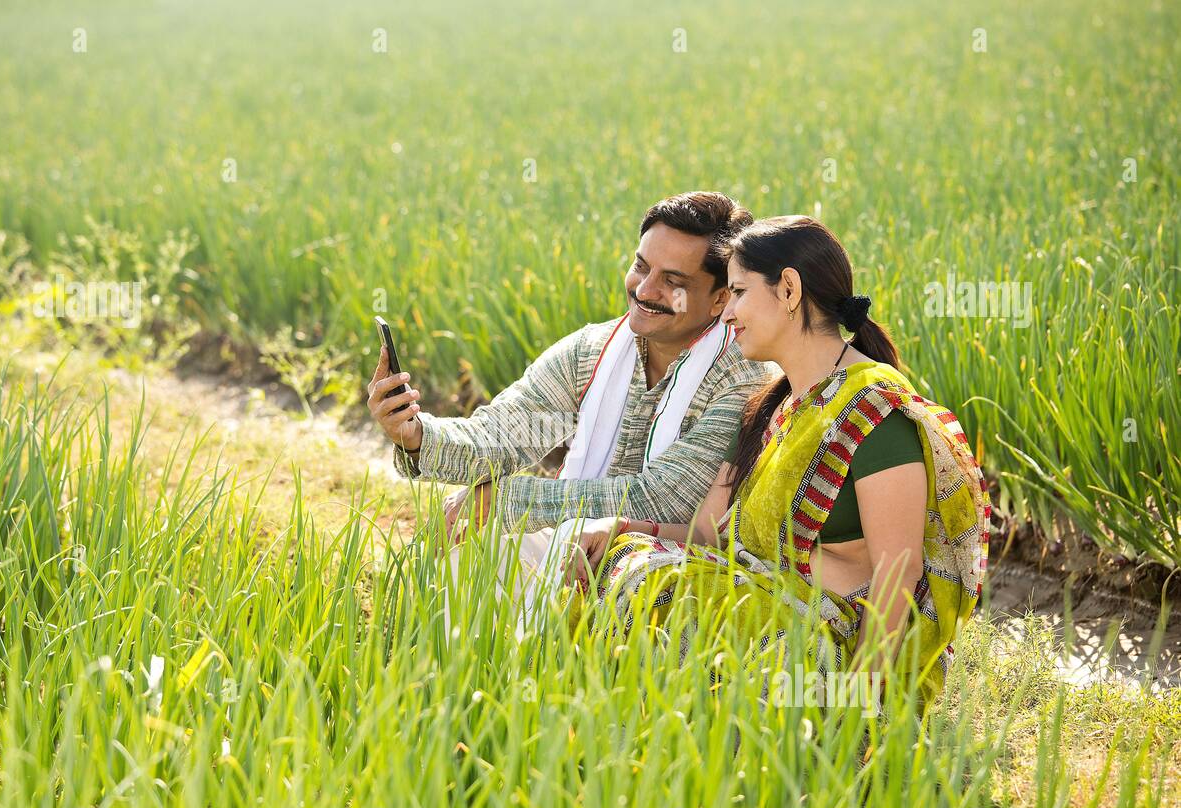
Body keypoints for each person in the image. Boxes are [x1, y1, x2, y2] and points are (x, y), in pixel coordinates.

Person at [560, 216, 991, 711]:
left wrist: (860, 703)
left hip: (822, 650)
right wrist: (623, 526)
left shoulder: (876, 415)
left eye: (740, 293)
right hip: (756, 612)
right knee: (623, 557)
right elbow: (710, 533)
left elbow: (899, 569)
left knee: (661, 585)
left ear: (788, 289)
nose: (728, 314)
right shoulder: (771, 407)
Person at [366, 192, 770, 542]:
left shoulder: (742, 376)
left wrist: (506, 500)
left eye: (673, 281)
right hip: (573, 541)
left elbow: (662, 500)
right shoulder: (593, 351)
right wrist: (415, 434)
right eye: (642, 267)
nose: (645, 290)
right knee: (451, 560)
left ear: (721, 298)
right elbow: (506, 432)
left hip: (657, 560)